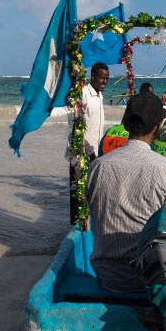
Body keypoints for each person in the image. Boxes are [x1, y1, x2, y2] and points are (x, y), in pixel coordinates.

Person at [87, 92, 166, 292]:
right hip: (149, 278)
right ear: (157, 128)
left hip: (107, 275)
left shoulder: (97, 167)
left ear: (126, 125)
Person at [70, 62, 109, 224]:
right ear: (92, 76)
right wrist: (90, 152)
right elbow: (79, 127)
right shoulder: (84, 94)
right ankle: (80, 227)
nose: (104, 81)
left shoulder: (100, 96)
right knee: (82, 195)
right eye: (101, 78)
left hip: (97, 154)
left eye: (106, 78)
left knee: (94, 194)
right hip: (85, 154)